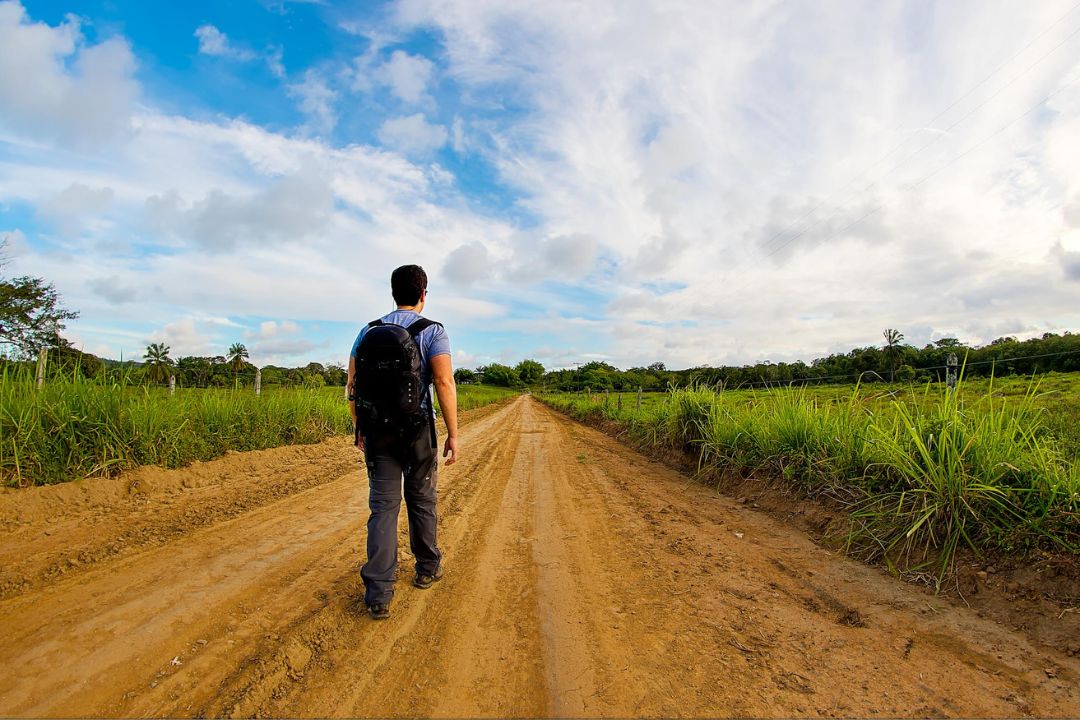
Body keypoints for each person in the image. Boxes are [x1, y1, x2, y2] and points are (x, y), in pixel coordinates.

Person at [347, 264, 459, 620]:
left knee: (383, 507)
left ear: (393, 293)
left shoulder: (368, 331)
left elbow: (352, 385)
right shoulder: (433, 332)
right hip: (416, 431)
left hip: (377, 432)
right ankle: (427, 567)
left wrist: (359, 428)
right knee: (421, 500)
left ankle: (378, 593)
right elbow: (443, 382)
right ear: (424, 294)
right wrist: (453, 433)